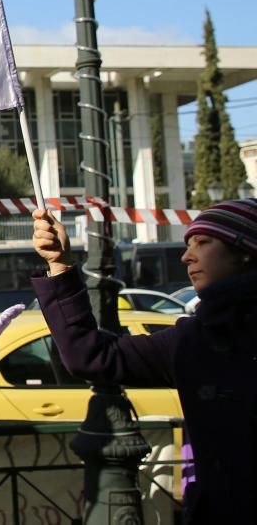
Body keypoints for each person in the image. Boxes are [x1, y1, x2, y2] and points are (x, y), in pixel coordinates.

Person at [30, 200, 257, 524]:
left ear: (245, 250)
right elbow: (91, 356)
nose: (187, 256)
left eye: (203, 242)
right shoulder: (194, 340)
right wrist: (60, 265)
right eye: (187, 244)